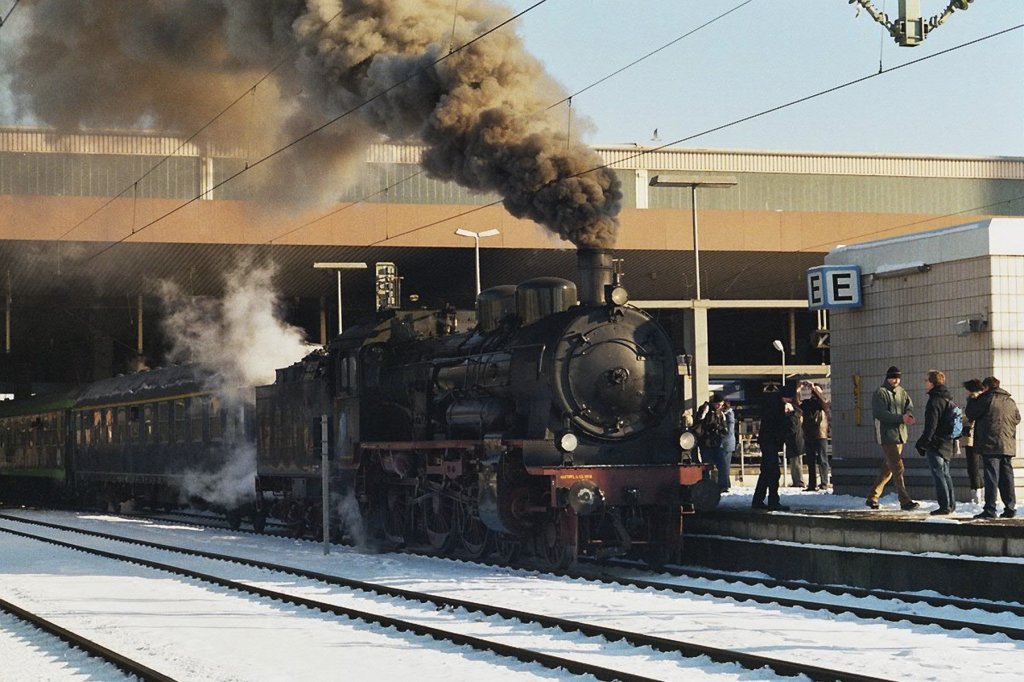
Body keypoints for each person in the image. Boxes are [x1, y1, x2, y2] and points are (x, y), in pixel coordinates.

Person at [965, 376, 1020, 519]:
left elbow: (971, 413)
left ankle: (990, 509)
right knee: (1007, 477)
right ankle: (1010, 508)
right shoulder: (1010, 401)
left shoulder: (986, 399)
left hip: (990, 444)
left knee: (991, 477)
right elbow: (1017, 418)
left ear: (987, 387)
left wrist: (971, 399)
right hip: (1007, 445)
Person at [866, 366, 920, 511]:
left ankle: (873, 496)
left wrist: (908, 415)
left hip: (900, 434)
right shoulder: (880, 393)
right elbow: (880, 414)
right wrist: (901, 418)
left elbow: (909, 406)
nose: (895, 380)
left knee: (888, 468)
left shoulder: (902, 392)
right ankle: (904, 499)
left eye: (897, 377)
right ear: (887, 377)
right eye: (892, 377)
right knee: (897, 466)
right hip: (887, 435)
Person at [914, 370, 957, 515]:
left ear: (932, 382)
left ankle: (944, 506)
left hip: (936, 443)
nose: (925, 383)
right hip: (947, 441)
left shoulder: (934, 401)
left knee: (938, 474)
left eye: (926, 380)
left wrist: (922, 443)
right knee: (946, 474)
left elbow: (931, 426)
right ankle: (951, 504)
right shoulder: (947, 398)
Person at [753, 384, 799, 511]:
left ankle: (758, 500)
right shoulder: (777, 406)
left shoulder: (771, 403)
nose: (789, 401)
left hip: (768, 441)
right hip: (770, 442)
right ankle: (773, 501)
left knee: (766, 473)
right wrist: (790, 414)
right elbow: (782, 425)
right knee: (773, 473)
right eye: (788, 399)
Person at [695, 392, 735, 492]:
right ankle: (706, 484)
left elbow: (723, 427)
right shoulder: (706, 409)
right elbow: (699, 420)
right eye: (718, 404)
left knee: (721, 464)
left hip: (716, 442)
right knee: (707, 465)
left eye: (721, 404)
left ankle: (722, 485)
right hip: (706, 443)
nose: (720, 406)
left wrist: (721, 432)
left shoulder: (720, 413)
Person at [798, 381, 831, 490]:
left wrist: (815, 389)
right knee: (810, 460)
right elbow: (798, 405)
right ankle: (812, 484)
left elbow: (825, 403)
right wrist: (798, 389)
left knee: (822, 459)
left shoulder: (821, 403)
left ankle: (824, 482)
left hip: (820, 433)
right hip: (808, 433)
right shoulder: (808, 403)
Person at [961, 379, 985, 504]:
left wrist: (961, 418)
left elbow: (970, 417)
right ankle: (981, 493)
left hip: (972, 437)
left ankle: (976, 494)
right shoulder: (984, 399)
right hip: (982, 437)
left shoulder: (973, 399)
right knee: (981, 466)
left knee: (973, 467)